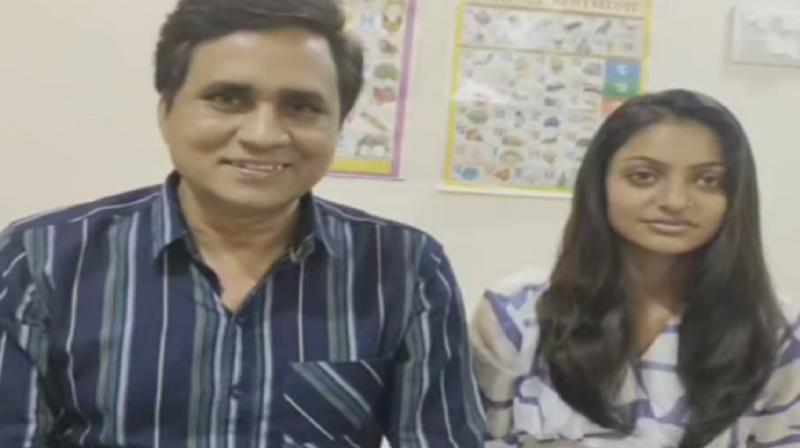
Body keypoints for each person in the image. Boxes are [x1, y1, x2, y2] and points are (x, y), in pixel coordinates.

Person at [0, 0, 486, 446]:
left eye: (301, 107)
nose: (263, 134)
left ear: (338, 125)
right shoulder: (40, 261)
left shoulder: (405, 270)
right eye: (228, 99)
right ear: (167, 111)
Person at [471, 90, 800, 447]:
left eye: (707, 180)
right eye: (644, 176)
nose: (675, 201)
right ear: (600, 184)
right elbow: (474, 438)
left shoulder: (773, 327)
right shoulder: (514, 314)